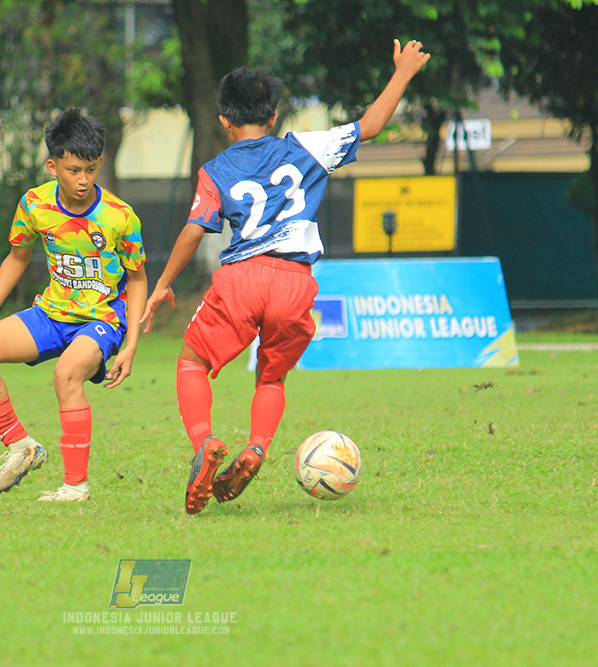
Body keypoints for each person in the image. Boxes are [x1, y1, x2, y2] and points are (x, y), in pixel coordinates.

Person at [141, 40, 431, 515]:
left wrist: (163, 284)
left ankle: (204, 443)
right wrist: (401, 73)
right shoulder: (308, 147)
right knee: (271, 376)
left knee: (192, 363)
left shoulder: (215, 170)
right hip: (295, 281)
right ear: (273, 117)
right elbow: (373, 125)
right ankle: (256, 447)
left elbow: (195, 230)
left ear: (224, 121)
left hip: (242, 278)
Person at [0, 107, 147, 502]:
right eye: (74, 170)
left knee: (66, 375)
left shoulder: (120, 217)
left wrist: (130, 345)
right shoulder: (34, 205)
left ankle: (75, 487)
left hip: (102, 319)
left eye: (92, 169)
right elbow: (16, 259)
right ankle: (22, 447)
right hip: (50, 313)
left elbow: (138, 279)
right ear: (52, 166)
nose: (84, 180)